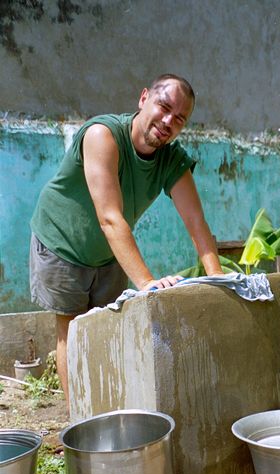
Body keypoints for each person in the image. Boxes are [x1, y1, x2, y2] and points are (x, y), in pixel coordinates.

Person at [30, 73, 224, 404]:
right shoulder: (101, 135)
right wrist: (147, 283)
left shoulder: (171, 159)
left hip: (108, 253)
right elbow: (110, 218)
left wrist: (221, 282)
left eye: (179, 119)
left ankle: (107, 410)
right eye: (163, 107)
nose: (167, 122)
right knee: (73, 333)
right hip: (61, 242)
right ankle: (79, 420)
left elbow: (196, 221)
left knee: (108, 333)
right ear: (143, 98)